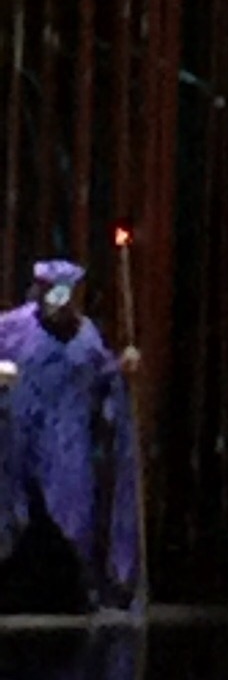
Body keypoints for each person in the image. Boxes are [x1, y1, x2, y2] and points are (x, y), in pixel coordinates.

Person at [0, 260, 144, 614]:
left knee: (71, 511)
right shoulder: (13, 327)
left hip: (68, 442)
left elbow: (102, 377)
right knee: (15, 508)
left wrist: (122, 369)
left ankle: (72, 585)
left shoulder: (86, 336)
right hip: (19, 437)